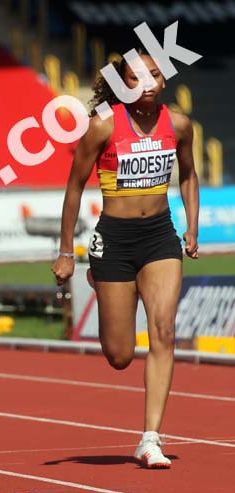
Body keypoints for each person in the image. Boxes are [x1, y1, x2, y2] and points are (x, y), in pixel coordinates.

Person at [52, 50, 199, 469]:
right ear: (122, 84)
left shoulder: (179, 125)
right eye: (136, 77)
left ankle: (150, 438)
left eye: (154, 74)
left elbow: (189, 175)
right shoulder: (103, 126)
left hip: (160, 238)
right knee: (119, 356)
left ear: (164, 80)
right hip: (115, 240)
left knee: (164, 331)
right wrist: (66, 252)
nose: (147, 83)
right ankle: (104, 283)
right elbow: (74, 187)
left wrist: (191, 227)